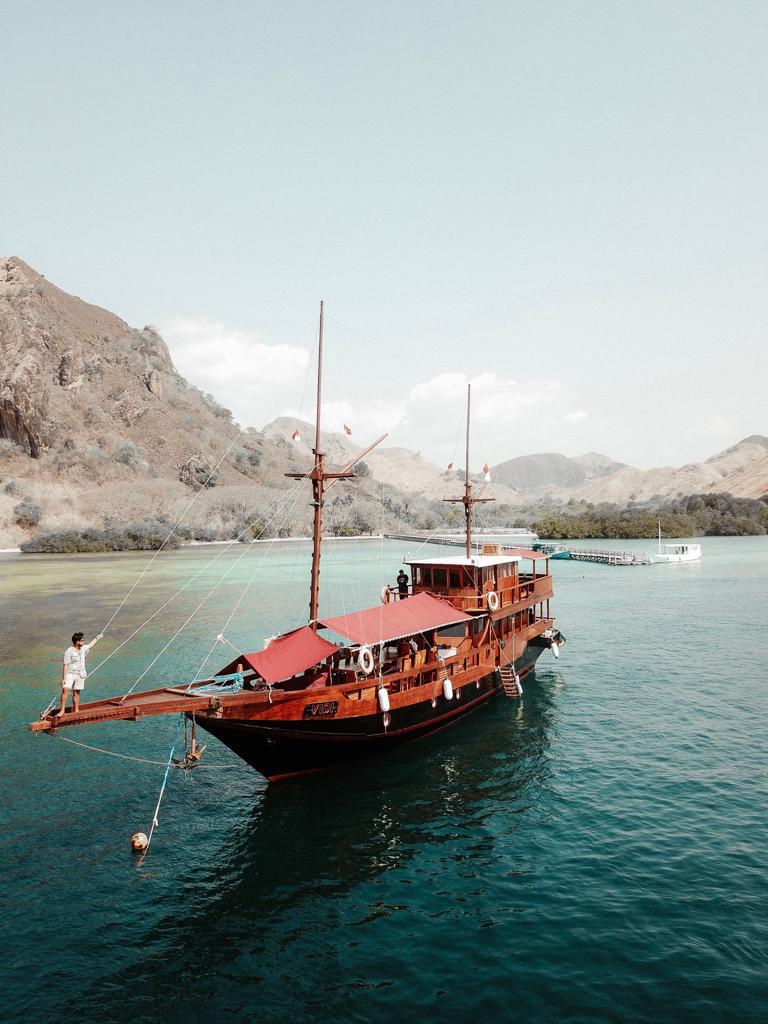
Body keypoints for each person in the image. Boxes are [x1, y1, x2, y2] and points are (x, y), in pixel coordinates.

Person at [56, 631, 103, 716]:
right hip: (70, 674)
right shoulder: (69, 651)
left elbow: (90, 645)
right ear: (77, 641)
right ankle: (62, 711)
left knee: (77, 692)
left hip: (80, 674)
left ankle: (76, 710)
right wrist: (64, 678)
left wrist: (97, 638)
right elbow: (66, 665)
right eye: (82, 640)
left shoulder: (84, 648)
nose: (83, 642)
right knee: (65, 690)